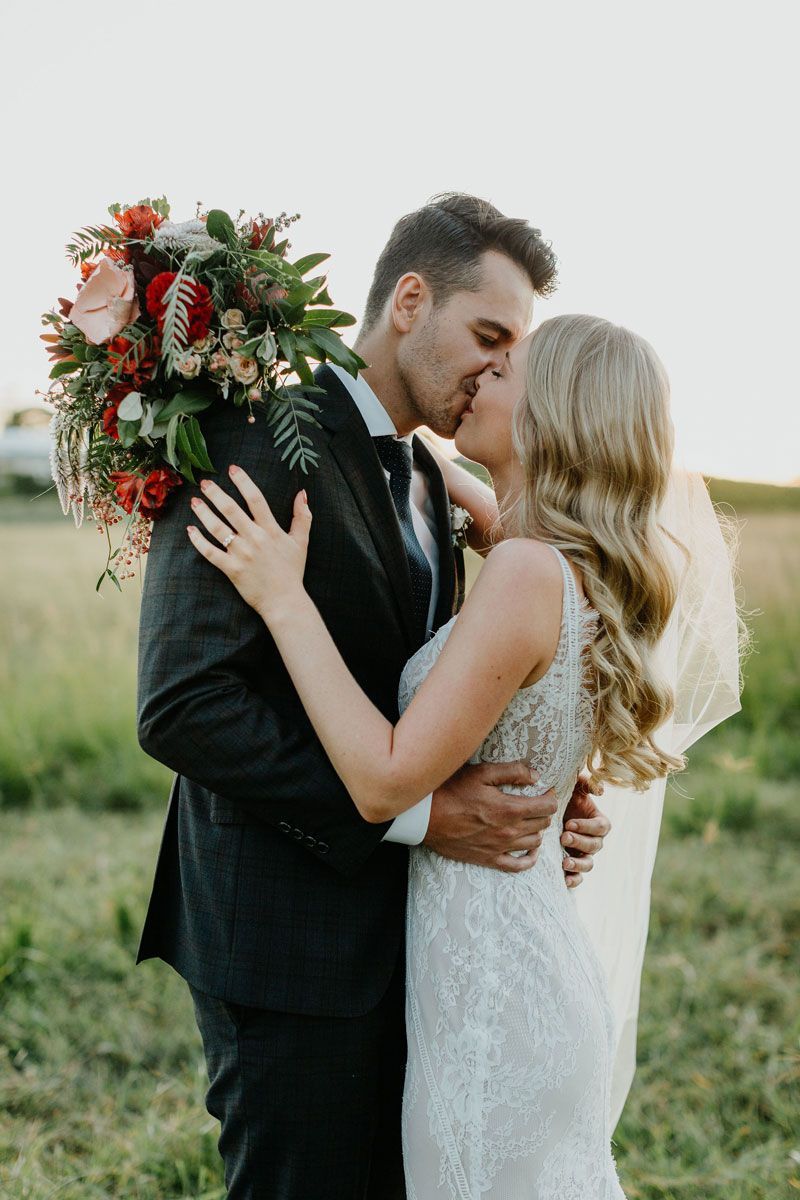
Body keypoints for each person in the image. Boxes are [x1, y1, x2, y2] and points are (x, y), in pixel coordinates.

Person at [186, 312, 733, 1197]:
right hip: (510, 973)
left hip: (492, 1009)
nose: (479, 381)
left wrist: (282, 597)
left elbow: (383, 779)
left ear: (555, 415)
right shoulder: (558, 564)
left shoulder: (524, 575)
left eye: (506, 372)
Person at [136, 195, 611, 1200]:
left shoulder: (435, 484)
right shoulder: (247, 433)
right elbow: (183, 703)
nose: (494, 370)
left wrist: (540, 788)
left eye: (510, 352)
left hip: (414, 952)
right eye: (485, 336)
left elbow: (444, 684)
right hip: (285, 945)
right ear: (408, 301)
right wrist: (422, 816)